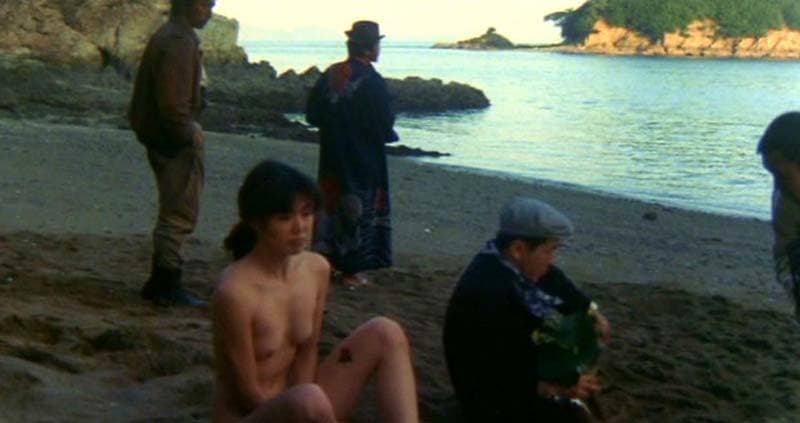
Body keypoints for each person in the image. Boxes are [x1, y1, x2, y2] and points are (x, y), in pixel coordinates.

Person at [212, 160, 418, 423]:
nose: (300, 227)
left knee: (385, 331)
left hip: (303, 406)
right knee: (308, 398)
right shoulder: (235, 293)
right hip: (254, 414)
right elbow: (245, 393)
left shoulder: (316, 269)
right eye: (285, 218)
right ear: (256, 222)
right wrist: (301, 406)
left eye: (306, 214)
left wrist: (306, 406)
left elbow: (307, 353)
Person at [443, 197, 611, 422]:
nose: (552, 259)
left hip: (513, 376)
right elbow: (500, 369)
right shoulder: (489, 294)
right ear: (518, 249)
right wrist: (561, 386)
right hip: (490, 396)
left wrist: (591, 311)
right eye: (549, 250)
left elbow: (556, 280)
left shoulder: (502, 260)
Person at [128, 0, 215, 306]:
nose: (210, 11)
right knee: (179, 211)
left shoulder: (173, 35)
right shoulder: (179, 40)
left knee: (175, 208)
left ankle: (162, 279)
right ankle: (165, 281)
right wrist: (190, 134)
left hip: (162, 134)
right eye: (205, 5)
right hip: (171, 139)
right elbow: (172, 105)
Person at [305, 20, 398, 288]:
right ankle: (351, 271)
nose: (379, 49)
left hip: (332, 154)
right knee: (359, 209)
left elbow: (313, 114)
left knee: (332, 204)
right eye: (377, 44)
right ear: (369, 49)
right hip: (363, 157)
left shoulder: (333, 74)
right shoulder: (372, 80)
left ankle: (328, 262)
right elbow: (384, 122)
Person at [757, 112, 800, 322]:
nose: (779, 184)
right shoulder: (787, 199)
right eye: (773, 174)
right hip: (791, 262)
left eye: (783, 176)